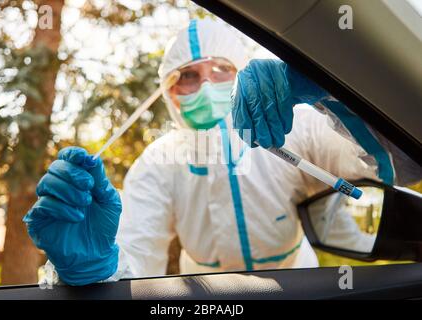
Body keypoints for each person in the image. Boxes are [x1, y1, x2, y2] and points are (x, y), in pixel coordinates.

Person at [23, 19, 414, 286]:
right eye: (188, 76)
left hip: (297, 287)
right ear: (169, 94)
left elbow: (399, 164)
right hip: (207, 299)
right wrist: (94, 270)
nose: (206, 85)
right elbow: (138, 262)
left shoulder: (298, 130)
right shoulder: (158, 164)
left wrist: (334, 93)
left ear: (246, 72)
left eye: (222, 70)